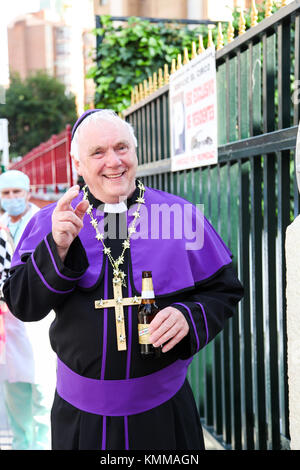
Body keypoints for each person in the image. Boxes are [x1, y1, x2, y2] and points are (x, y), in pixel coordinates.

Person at [2, 109, 243, 451]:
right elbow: (23, 305)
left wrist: (189, 317)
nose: (113, 161)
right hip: (80, 419)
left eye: (121, 148)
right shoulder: (50, 222)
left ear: (135, 152)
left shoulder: (179, 216)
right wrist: (56, 247)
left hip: (164, 413)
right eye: (97, 153)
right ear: (78, 164)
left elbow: (224, 290)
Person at [0, 170, 55, 450]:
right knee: (14, 390)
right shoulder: (0, 227)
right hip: (7, 323)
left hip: (38, 317)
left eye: (16, 192)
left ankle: (44, 445)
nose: (12, 199)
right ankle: (22, 444)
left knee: (43, 388)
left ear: (27, 191)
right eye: (6, 194)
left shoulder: (42, 222)